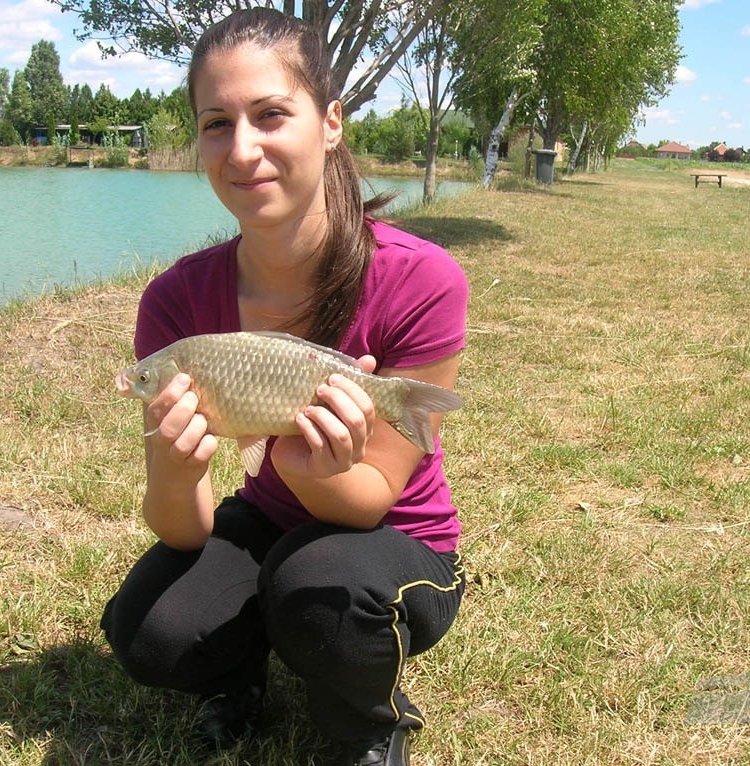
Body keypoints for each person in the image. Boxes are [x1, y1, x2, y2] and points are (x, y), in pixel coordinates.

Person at [100, 8, 468, 765]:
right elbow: (183, 531)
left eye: (271, 114)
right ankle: (240, 678)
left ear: (330, 123)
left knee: (317, 586)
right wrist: (175, 468)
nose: (242, 150)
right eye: (215, 123)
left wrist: (309, 467)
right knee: (148, 630)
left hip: (391, 536)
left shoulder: (423, 279)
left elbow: (371, 496)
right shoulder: (174, 305)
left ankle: (368, 725)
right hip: (267, 515)